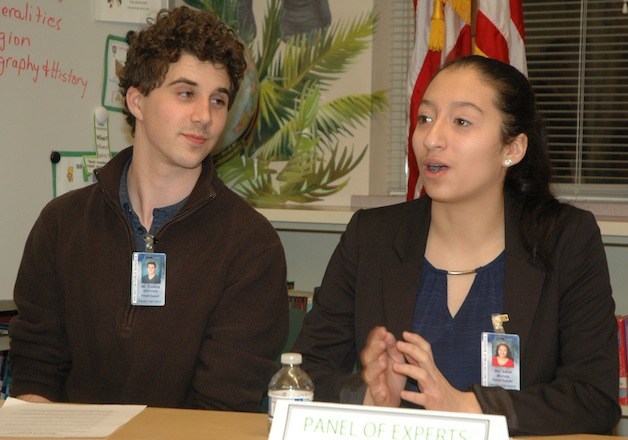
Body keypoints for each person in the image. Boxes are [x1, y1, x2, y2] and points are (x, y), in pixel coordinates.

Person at [292, 55, 620, 435]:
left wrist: (469, 407)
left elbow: (594, 398)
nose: (432, 138)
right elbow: (302, 374)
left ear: (512, 148)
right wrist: (366, 396)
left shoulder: (564, 239)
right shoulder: (373, 237)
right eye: (425, 119)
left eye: (461, 121)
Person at [9, 6, 288, 412]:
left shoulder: (251, 246)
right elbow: (36, 374)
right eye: (186, 93)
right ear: (137, 101)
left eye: (218, 99)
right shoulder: (60, 224)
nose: (204, 116)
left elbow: (221, 411)